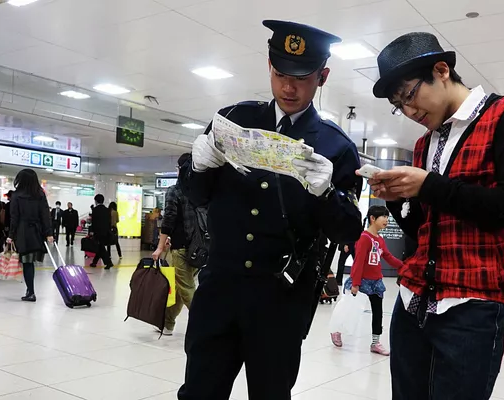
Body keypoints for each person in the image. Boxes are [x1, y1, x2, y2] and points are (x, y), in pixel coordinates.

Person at [178, 20, 363, 400]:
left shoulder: (336, 147)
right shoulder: (234, 120)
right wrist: (196, 167)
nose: (288, 88)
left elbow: (348, 231)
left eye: (301, 78)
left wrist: (327, 193)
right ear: (269, 67)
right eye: (280, 74)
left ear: (323, 76)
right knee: (199, 390)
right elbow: (196, 197)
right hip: (220, 289)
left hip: (281, 299)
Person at [368, 32, 504, 399]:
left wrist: (429, 186)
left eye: (410, 95)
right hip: (412, 301)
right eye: (399, 105)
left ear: (442, 70)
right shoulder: (423, 144)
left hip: (473, 304)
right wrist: (397, 199)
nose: (409, 112)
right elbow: (422, 230)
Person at [331, 205, 403, 355]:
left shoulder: (380, 239)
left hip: (376, 282)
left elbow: (388, 257)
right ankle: (336, 330)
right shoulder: (364, 238)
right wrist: (355, 283)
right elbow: (358, 261)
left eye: (387, 217)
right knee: (350, 309)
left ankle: (375, 343)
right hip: (361, 281)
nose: (386, 220)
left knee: (378, 312)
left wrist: (404, 266)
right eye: (383, 217)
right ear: (372, 218)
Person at [152, 153, 199, 335]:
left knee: (186, 288)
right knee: (181, 285)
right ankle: (167, 323)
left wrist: (159, 246)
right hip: (201, 248)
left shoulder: (176, 190)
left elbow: (169, 220)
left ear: (180, 169)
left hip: (181, 247)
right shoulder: (202, 190)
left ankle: (207, 325)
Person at [6, 169, 53, 302]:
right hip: (36, 232)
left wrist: (11, 235)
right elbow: (45, 215)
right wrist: (49, 233)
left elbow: (14, 217)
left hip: (22, 232)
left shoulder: (16, 195)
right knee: (30, 262)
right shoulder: (40, 194)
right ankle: (30, 291)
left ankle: (30, 291)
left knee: (26, 262)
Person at [90, 194, 113, 270]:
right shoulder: (107, 210)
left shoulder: (95, 210)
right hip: (105, 232)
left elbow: (93, 222)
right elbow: (109, 222)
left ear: (96, 201)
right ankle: (94, 262)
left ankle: (108, 262)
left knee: (101, 247)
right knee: (100, 247)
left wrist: (92, 231)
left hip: (98, 232)